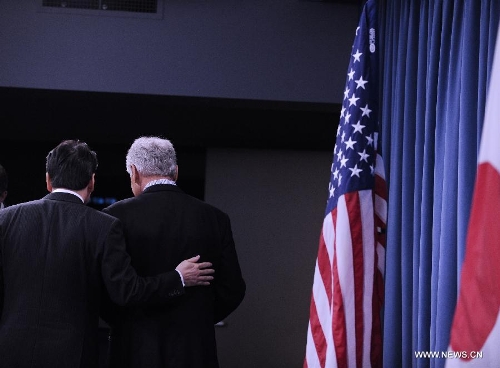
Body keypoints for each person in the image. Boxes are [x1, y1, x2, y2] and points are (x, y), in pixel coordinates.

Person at [0, 139, 214, 368]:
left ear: (48, 180)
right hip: (73, 355)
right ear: (92, 182)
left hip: (9, 351)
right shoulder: (104, 226)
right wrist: (178, 277)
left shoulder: (6, 219)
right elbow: (127, 292)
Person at [101, 136, 246, 368]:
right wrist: (196, 318)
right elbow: (233, 289)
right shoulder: (215, 218)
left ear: (134, 172)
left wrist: (130, 323)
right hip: (195, 351)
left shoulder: (113, 217)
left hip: (134, 350)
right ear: (175, 172)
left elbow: (110, 292)